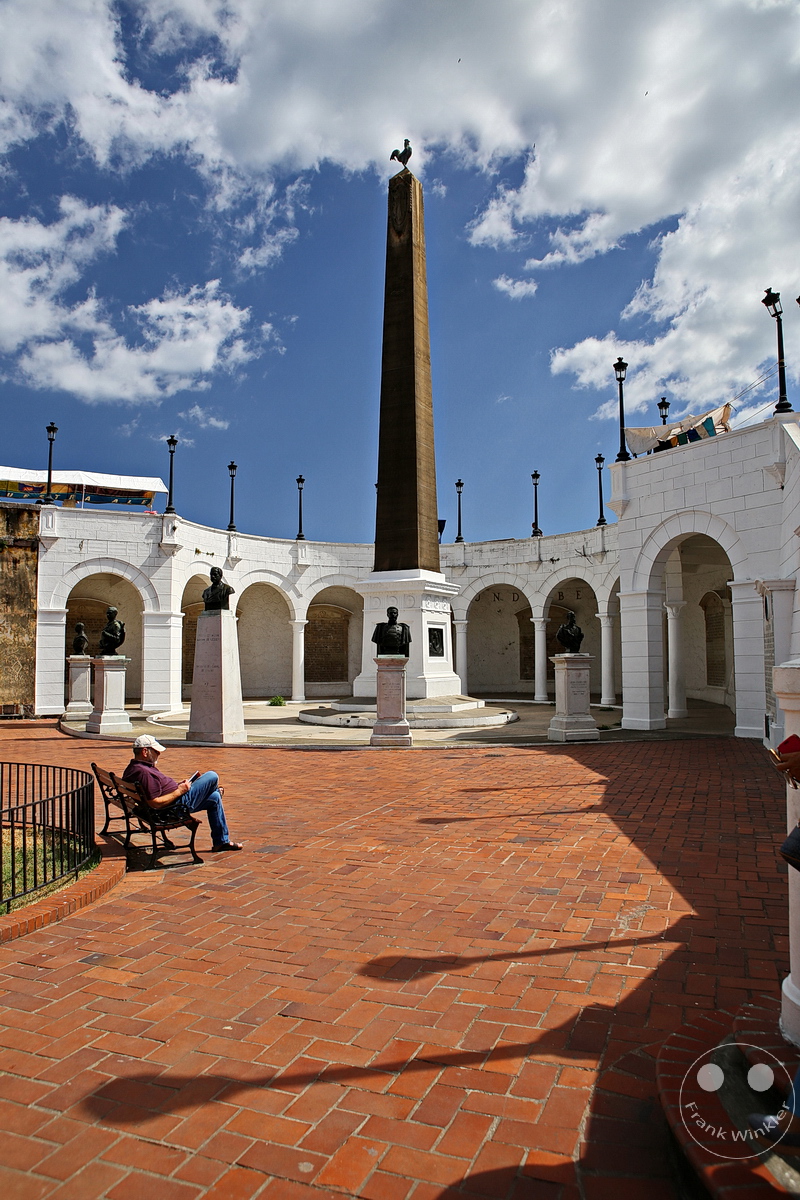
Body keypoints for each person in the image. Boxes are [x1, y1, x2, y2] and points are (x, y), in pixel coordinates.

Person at [122, 734, 242, 852]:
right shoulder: (144, 773)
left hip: (168, 805)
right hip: (174, 808)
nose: (159, 754)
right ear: (145, 752)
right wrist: (180, 790)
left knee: (214, 798)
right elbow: (155, 803)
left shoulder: (134, 768)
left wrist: (178, 786)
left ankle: (221, 842)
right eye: (156, 751)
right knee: (212, 775)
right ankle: (215, 791)